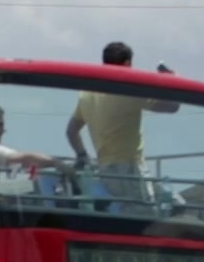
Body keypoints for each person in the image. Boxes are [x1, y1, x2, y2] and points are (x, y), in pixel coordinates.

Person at [65, 41, 179, 204]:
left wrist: (83, 156)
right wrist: (172, 81)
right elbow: (172, 106)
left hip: (105, 173)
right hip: (130, 169)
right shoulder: (129, 89)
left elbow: (71, 131)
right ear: (127, 64)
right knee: (144, 221)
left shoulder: (86, 93)